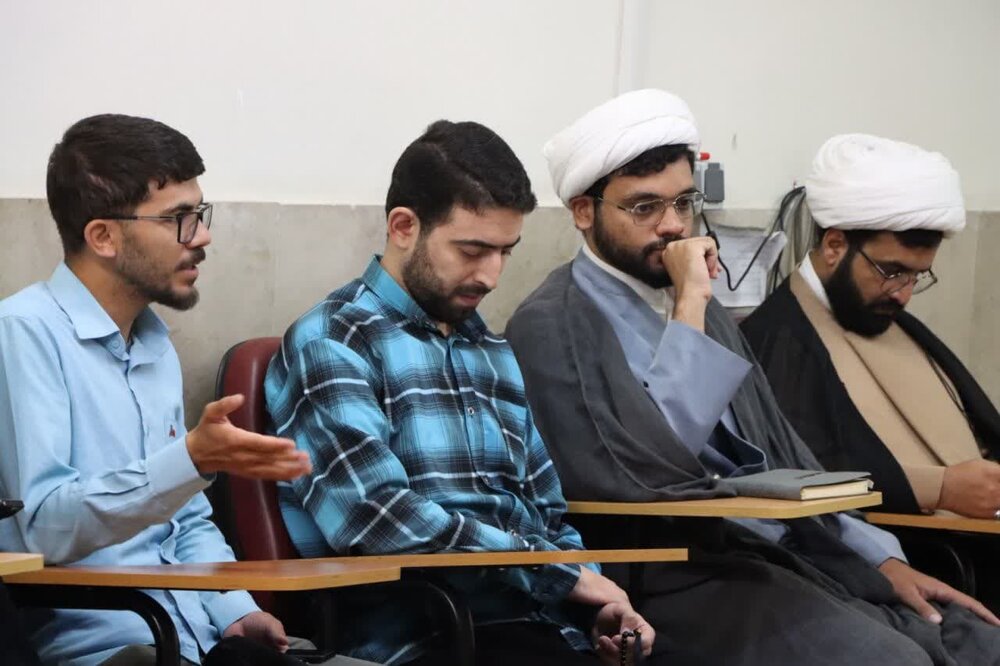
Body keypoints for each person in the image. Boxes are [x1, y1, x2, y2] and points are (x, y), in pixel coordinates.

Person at [506, 89, 1000, 665]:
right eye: (644, 208)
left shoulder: (703, 307)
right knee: (890, 660)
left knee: (976, 642)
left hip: (782, 550)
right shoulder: (553, 325)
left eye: (683, 202)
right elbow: (655, 468)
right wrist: (692, 301)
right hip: (668, 573)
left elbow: (785, 452)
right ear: (583, 212)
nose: (673, 226)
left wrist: (880, 558)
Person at [265, 120, 655, 666]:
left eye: (505, 252)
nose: (492, 275)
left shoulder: (488, 349)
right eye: (473, 250)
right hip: (426, 632)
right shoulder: (335, 340)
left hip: (535, 625)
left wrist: (596, 604)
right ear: (404, 226)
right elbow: (375, 517)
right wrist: (558, 575)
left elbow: (546, 512)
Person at [0, 114, 370, 666]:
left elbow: (187, 518)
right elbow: (43, 528)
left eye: (199, 213)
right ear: (103, 236)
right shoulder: (23, 334)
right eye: (178, 218)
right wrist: (190, 460)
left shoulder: (154, 344)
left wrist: (234, 608)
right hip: (114, 646)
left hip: (202, 636)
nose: (201, 236)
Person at [741, 133, 1000, 518]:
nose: (903, 295)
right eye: (891, 272)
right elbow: (793, 473)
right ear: (834, 246)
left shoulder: (890, 319)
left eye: (917, 276)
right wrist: (938, 488)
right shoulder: (770, 341)